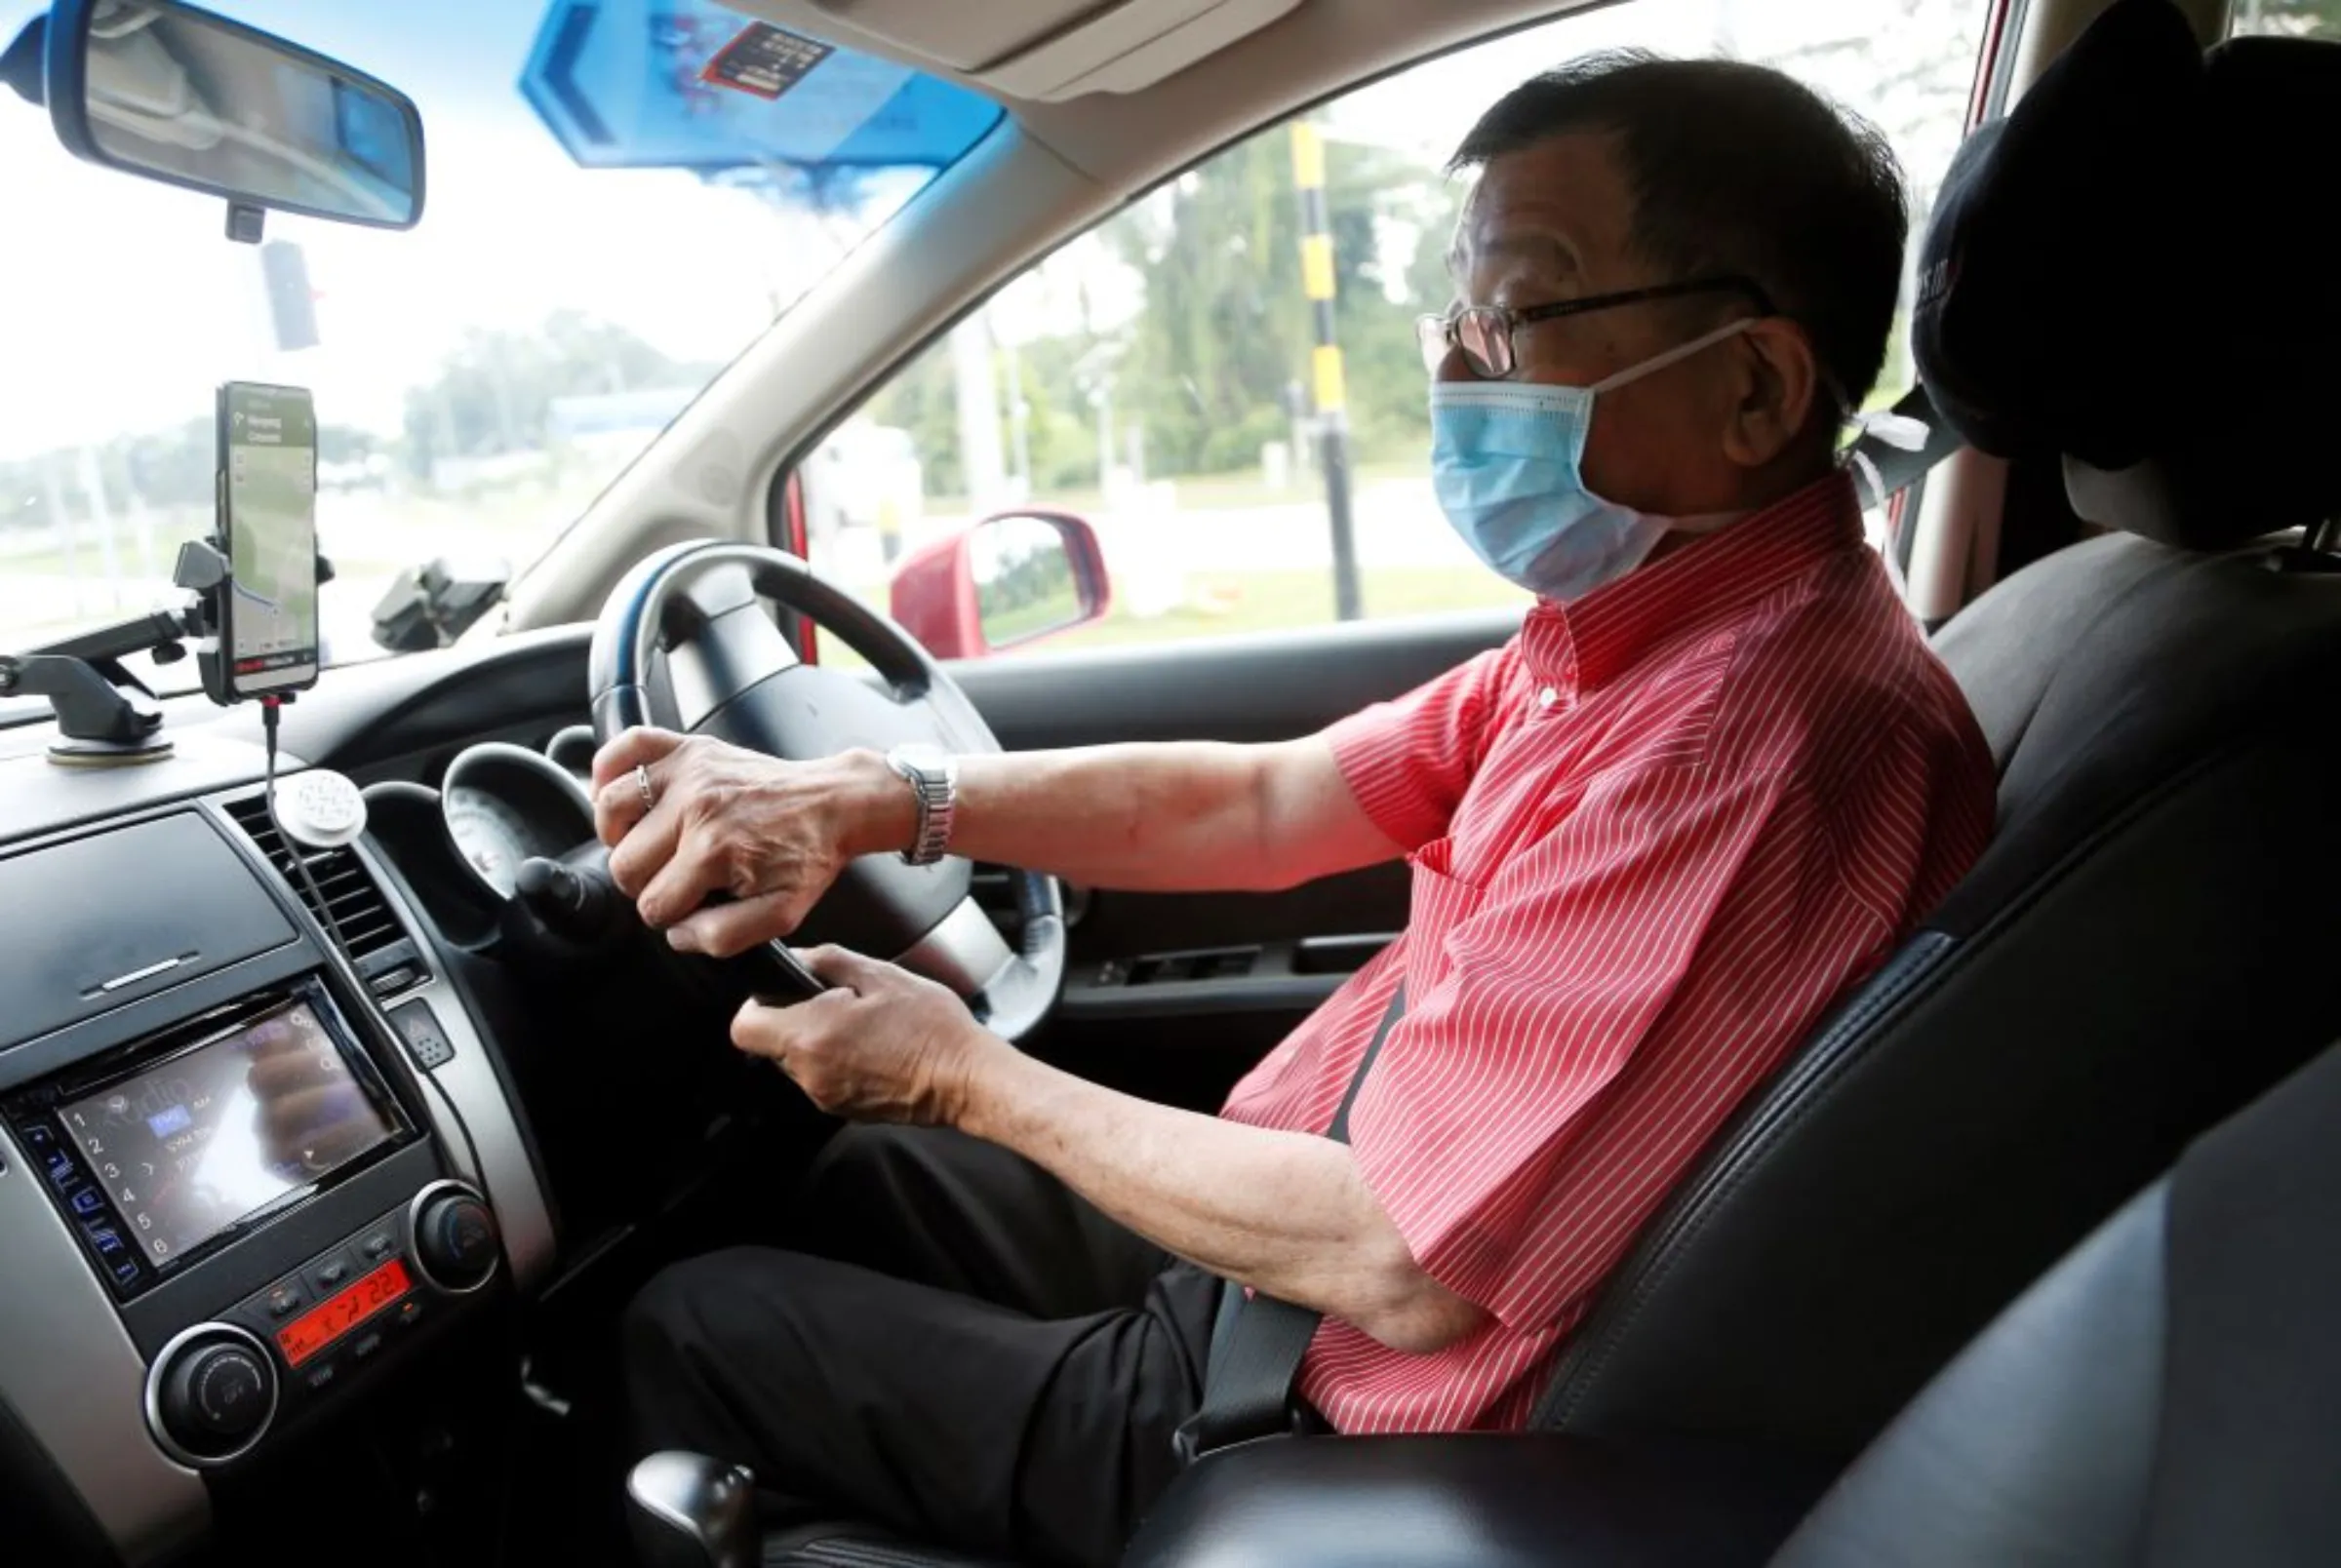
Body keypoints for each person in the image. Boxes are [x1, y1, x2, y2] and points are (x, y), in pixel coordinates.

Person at [595, 53, 1995, 1568]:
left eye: (1514, 316)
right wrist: (871, 796)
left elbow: (1405, 1263)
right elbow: (1264, 803)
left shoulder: (1755, 736)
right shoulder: (1650, 635)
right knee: (859, 1179)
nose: (1456, 377)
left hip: (1324, 1400)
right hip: (1272, 1278)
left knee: (695, 1324)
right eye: (1455, 322)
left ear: (1756, 386)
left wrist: (959, 1076)